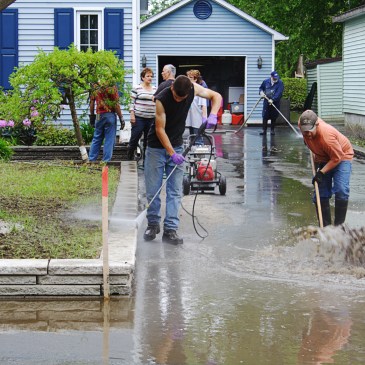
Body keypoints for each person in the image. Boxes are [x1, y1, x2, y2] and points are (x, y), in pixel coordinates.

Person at [144, 75, 222, 244]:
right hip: (156, 148)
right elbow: (160, 130)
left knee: (175, 191)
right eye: (176, 97)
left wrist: (213, 115)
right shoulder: (161, 99)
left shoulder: (193, 88)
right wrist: (172, 153)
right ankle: (152, 224)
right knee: (153, 190)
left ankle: (171, 230)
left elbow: (216, 96)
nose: (179, 100)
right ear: (172, 88)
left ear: (188, 93)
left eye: (182, 98)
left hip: (177, 144)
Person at [298, 110, 354, 226]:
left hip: (342, 156)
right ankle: (326, 228)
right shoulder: (302, 124)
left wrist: (321, 172)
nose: (307, 133)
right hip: (322, 157)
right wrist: (308, 141)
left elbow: (336, 158)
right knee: (321, 192)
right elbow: (307, 132)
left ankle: (339, 227)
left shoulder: (327, 137)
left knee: (341, 190)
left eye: (309, 131)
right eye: (304, 131)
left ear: (316, 125)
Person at [88, 84, 124, 162]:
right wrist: (121, 118)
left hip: (98, 115)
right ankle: (106, 161)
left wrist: (91, 116)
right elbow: (116, 105)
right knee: (109, 139)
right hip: (110, 114)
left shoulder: (95, 87)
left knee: (97, 138)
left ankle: (91, 159)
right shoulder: (112, 88)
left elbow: (91, 102)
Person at [127, 67, 156, 160]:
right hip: (139, 118)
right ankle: (129, 158)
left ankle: (146, 162)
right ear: (143, 77)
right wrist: (132, 114)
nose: (150, 78)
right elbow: (130, 102)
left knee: (148, 141)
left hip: (151, 118)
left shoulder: (155, 89)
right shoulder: (137, 88)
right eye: (148, 76)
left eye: (151, 76)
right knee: (134, 139)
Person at [259, 70, 284, 135]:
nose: (276, 79)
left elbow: (279, 93)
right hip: (266, 101)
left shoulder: (280, 83)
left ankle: (272, 130)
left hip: (275, 102)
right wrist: (261, 92)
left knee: (274, 115)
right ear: (271, 77)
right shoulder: (266, 82)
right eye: (274, 78)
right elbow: (261, 88)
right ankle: (264, 130)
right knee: (265, 115)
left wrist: (273, 99)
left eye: (276, 78)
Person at [185, 69, 207, 144]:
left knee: (198, 142)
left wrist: (204, 119)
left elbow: (204, 106)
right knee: (192, 141)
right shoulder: (188, 90)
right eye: (187, 77)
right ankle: (194, 155)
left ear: (195, 79)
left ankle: (200, 156)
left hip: (197, 121)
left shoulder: (200, 90)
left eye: (190, 77)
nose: (188, 79)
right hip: (190, 121)